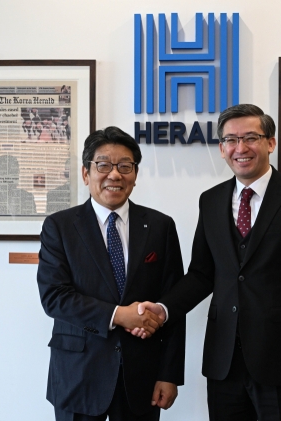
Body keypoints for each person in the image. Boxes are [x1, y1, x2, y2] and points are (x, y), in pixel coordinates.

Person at [134, 104, 281, 421]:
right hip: (224, 362)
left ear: (270, 143)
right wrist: (164, 309)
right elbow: (202, 274)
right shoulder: (211, 200)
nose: (240, 148)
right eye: (231, 140)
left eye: (250, 138)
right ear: (221, 148)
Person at [37, 127, 186, 421]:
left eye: (125, 166)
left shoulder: (160, 226)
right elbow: (54, 297)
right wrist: (120, 315)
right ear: (85, 173)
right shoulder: (60, 227)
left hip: (141, 377)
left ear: (134, 174)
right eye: (103, 165)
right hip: (78, 374)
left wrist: (169, 375)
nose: (114, 175)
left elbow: (174, 303)